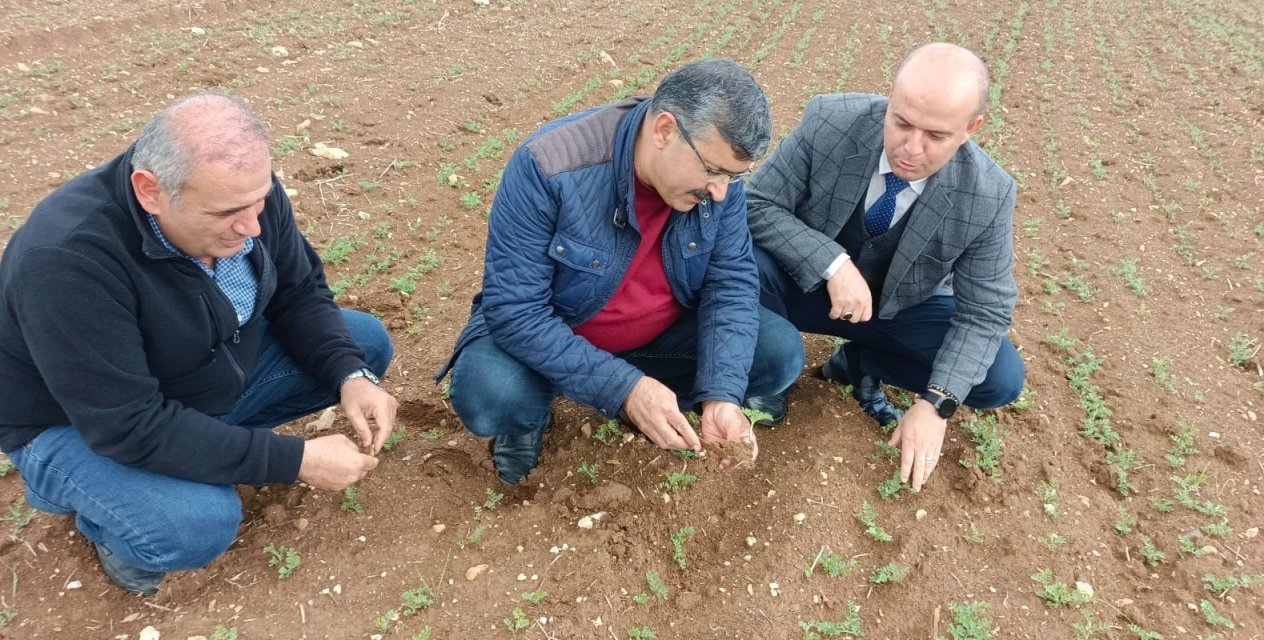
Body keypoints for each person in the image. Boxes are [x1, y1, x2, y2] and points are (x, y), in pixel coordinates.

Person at [0, 92, 398, 595]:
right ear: (150, 191)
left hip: (188, 377)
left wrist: (349, 373)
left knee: (362, 344)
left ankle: (199, 449)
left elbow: (299, 293)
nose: (253, 227)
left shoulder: (246, 198)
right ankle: (109, 525)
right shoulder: (68, 260)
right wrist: (294, 460)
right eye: (228, 212)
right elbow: (127, 425)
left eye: (260, 202)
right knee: (195, 523)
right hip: (74, 424)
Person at [437, 59, 804, 484]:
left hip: (659, 336)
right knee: (491, 394)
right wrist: (623, 389)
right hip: (559, 333)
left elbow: (731, 282)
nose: (721, 190)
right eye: (713, 170)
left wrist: (722, 394)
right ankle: (533, 416)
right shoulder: (549, 166)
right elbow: (516, 311)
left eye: (734, 176)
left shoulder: (720, 187)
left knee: (778, 353)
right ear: (664, 130)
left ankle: (660, 401)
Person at [747, 43, 1025, 491]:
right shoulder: (829, 123)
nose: (910, 148)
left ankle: (859, 362)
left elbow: (985, 313)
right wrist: (831, 262)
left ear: (971, 129)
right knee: (736, 264)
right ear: (890, 99)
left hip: (899, 312)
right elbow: (756, 202)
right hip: (801, 285)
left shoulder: (988, 195)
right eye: (901, 123)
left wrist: (936, 405)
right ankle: (766, 367)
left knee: (999, 378)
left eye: (935, 135)